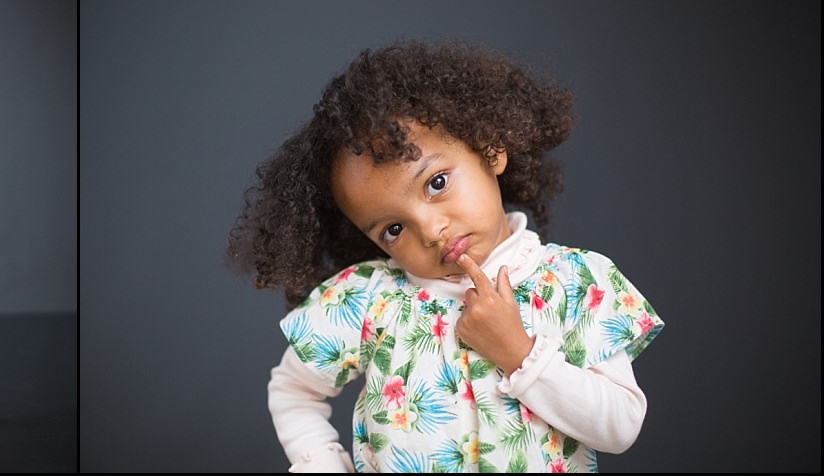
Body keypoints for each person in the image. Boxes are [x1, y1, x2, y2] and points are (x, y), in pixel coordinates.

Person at [226, 39, 664, 473]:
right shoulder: (368, 301)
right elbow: (292, 389)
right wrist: (319, 463)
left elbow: (620, 428)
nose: (431, 230)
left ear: (489, 149)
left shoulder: (576, 282)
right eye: (394, 229)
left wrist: (518, 352)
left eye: (436, 182)